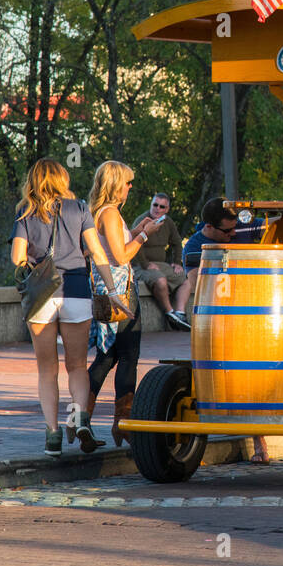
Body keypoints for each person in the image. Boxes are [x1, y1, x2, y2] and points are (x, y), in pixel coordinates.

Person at [10, 158, 123, 457]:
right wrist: (111, 291)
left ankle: (53, 435)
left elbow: (17, 257)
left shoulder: (25, 212)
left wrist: (34, 265)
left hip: (42, 296)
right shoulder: (80, 209)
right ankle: (80, 418)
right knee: (76, 366)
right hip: (75, 291)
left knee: (47, 369)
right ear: (62, 179)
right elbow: (98, 252)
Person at [181, 197, 271, 464]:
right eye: (227, 232)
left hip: (255, 312)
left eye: (235, 229)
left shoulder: (243, 226)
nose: (233, 235)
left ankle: (260, 440)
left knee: (254, 377)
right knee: (233, 378)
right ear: (208, 227)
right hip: (221, 319)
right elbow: (199, 285)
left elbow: (274, 227)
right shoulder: (197, 245)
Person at [84, 161, 165, 450]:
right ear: (117, 184)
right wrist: (145, 236)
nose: (130, 187)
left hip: (106, 290)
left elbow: (115, 243)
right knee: (128, 356)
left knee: (106, 357)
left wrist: (138, 228)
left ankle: (81, 419)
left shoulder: (103, 213)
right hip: (120, 292)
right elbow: (120, 256)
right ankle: (123, 422)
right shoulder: (108, 213)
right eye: (127, 182)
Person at [130, 192, 192, 332]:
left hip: (160, 264)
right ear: (151, 205)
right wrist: (146, 264)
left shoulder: (167, 222)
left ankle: (180, 313)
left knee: (186, 280)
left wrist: (177, 262)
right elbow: (135, 243)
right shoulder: (143, 220)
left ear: (167, 209)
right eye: (155, 205)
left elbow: (177, 243)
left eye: (162, 206)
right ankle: (170, 314)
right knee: (160, 280)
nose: (157, 208)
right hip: (140, 265)